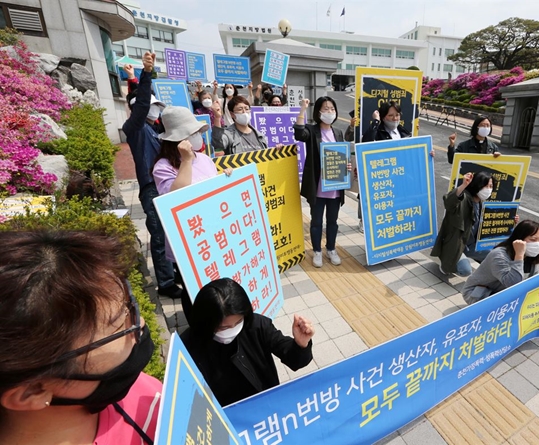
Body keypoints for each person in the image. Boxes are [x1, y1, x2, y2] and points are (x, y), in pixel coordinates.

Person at [0, 230, 161, 445]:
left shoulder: (143, 393)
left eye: (129, 304)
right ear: (32, 391)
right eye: (119, 324)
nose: (140, 325)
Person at [181, 278, 314, 406]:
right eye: (223, 327)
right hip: (224, 415)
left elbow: (293, 358)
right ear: (206, 322)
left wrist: (301, 344)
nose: (232, 330)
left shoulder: (257, 325)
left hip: (265, 403)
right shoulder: (188, 345)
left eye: (238, 322)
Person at [152, 106, 227, 319]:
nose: (198, 137)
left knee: (214, 285)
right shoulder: (163, 166)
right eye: (192, 134)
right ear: (178, 140)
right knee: (193, 289)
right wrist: (185, 161)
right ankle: (196, 326)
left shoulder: (203, 159)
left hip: (211, 233)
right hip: (188, 240)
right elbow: (174, 200)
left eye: (198, 133)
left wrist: (226, 178)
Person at [121, 51, 182, 300]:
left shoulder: (155, 128)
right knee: (159, 236)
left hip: (166, 187)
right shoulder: (134, 128)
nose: (156, 110)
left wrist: (135, 79)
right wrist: (146, 74)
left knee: (172, 233)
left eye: (158, 106)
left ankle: (174, 271)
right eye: (152, 106)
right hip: (151, 190)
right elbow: (141, 102)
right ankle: (166, 283)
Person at [358, 101, 435, 233]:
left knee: (396, 219)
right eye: (390, 115)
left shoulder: (404, 132)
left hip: (401, 184)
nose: (395, 118)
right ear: (383, 117)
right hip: (384, 184)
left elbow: (412, 156)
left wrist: (427, 154)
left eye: (397, 115)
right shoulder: (377, 133)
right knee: (381, 220)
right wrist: (375, 122)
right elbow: (366, 144)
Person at [294, 96, 352, 268]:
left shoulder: (338, 133)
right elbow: (298, 133)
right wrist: (302, 109)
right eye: (325, 109)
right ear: (318, 112)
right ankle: (317, 251)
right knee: (316, 221)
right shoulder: (312, 131)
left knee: (333, 221)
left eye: (332, 109)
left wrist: (346, 164)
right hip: (318, 187)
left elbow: (341, 154)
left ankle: (331, 249)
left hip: (335, 187)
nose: (329, 112)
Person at [461, 220, 539, 305]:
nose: (538, 244)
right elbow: (512, 283)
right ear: (519, 239)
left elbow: (534, 282)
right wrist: (519, 255)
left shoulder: (534, 258)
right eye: (533, 239)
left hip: (503, 294)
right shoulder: (499, 255)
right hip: (478, 293)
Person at [431, 171, 497, 276]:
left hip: (471, 245)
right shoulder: (464, 198)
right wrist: (464, 185)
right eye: (485, 185)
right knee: (465, 270)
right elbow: (449, 202)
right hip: (455, 244)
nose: (488, 189)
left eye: (491, 186)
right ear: (477, 185)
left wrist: (512, 221)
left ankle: (462, 261)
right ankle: (445, 265)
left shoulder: (480, 203)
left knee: (494, 255)